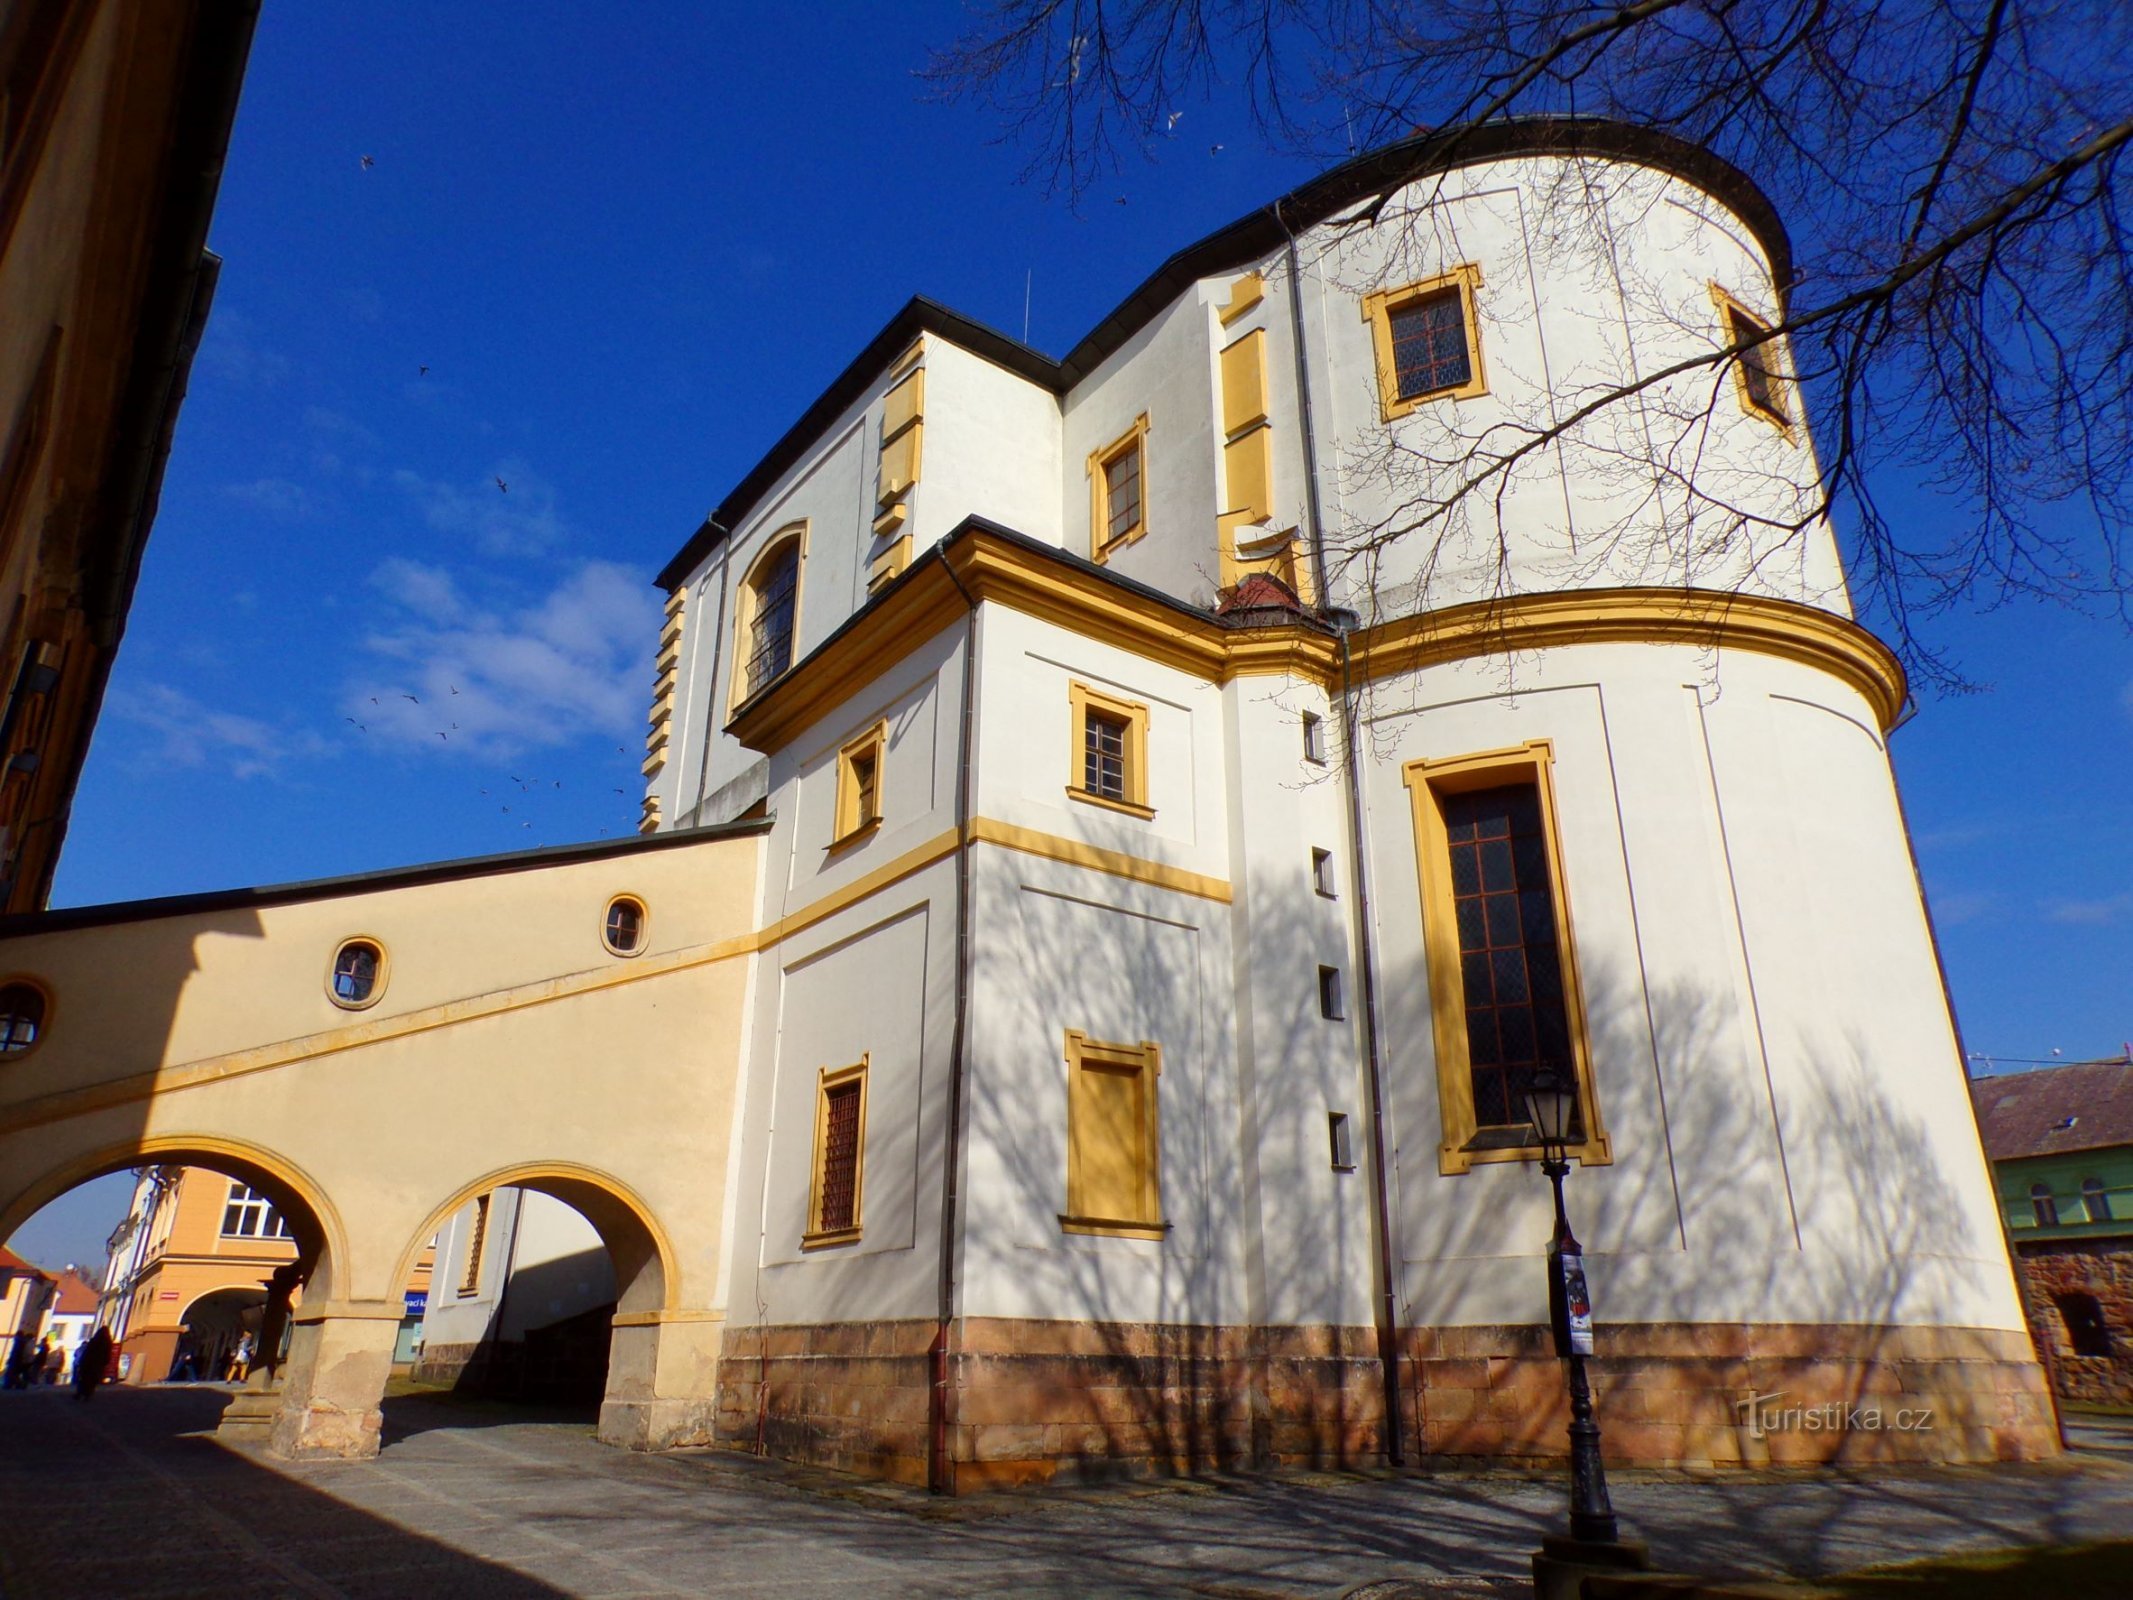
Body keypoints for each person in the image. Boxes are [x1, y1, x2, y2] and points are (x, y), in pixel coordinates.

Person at [72, 1327, 112, 1400]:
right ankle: (87, 1395)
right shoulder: (108, 1342)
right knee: (92, 1381)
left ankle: (79, 1393)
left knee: (84, 1379)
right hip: (97, 1365)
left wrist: (83, 1362)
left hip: (88, 1363)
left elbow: (87, 1352)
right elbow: (107, 1354)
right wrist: (105, 1362)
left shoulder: (94, 1340)